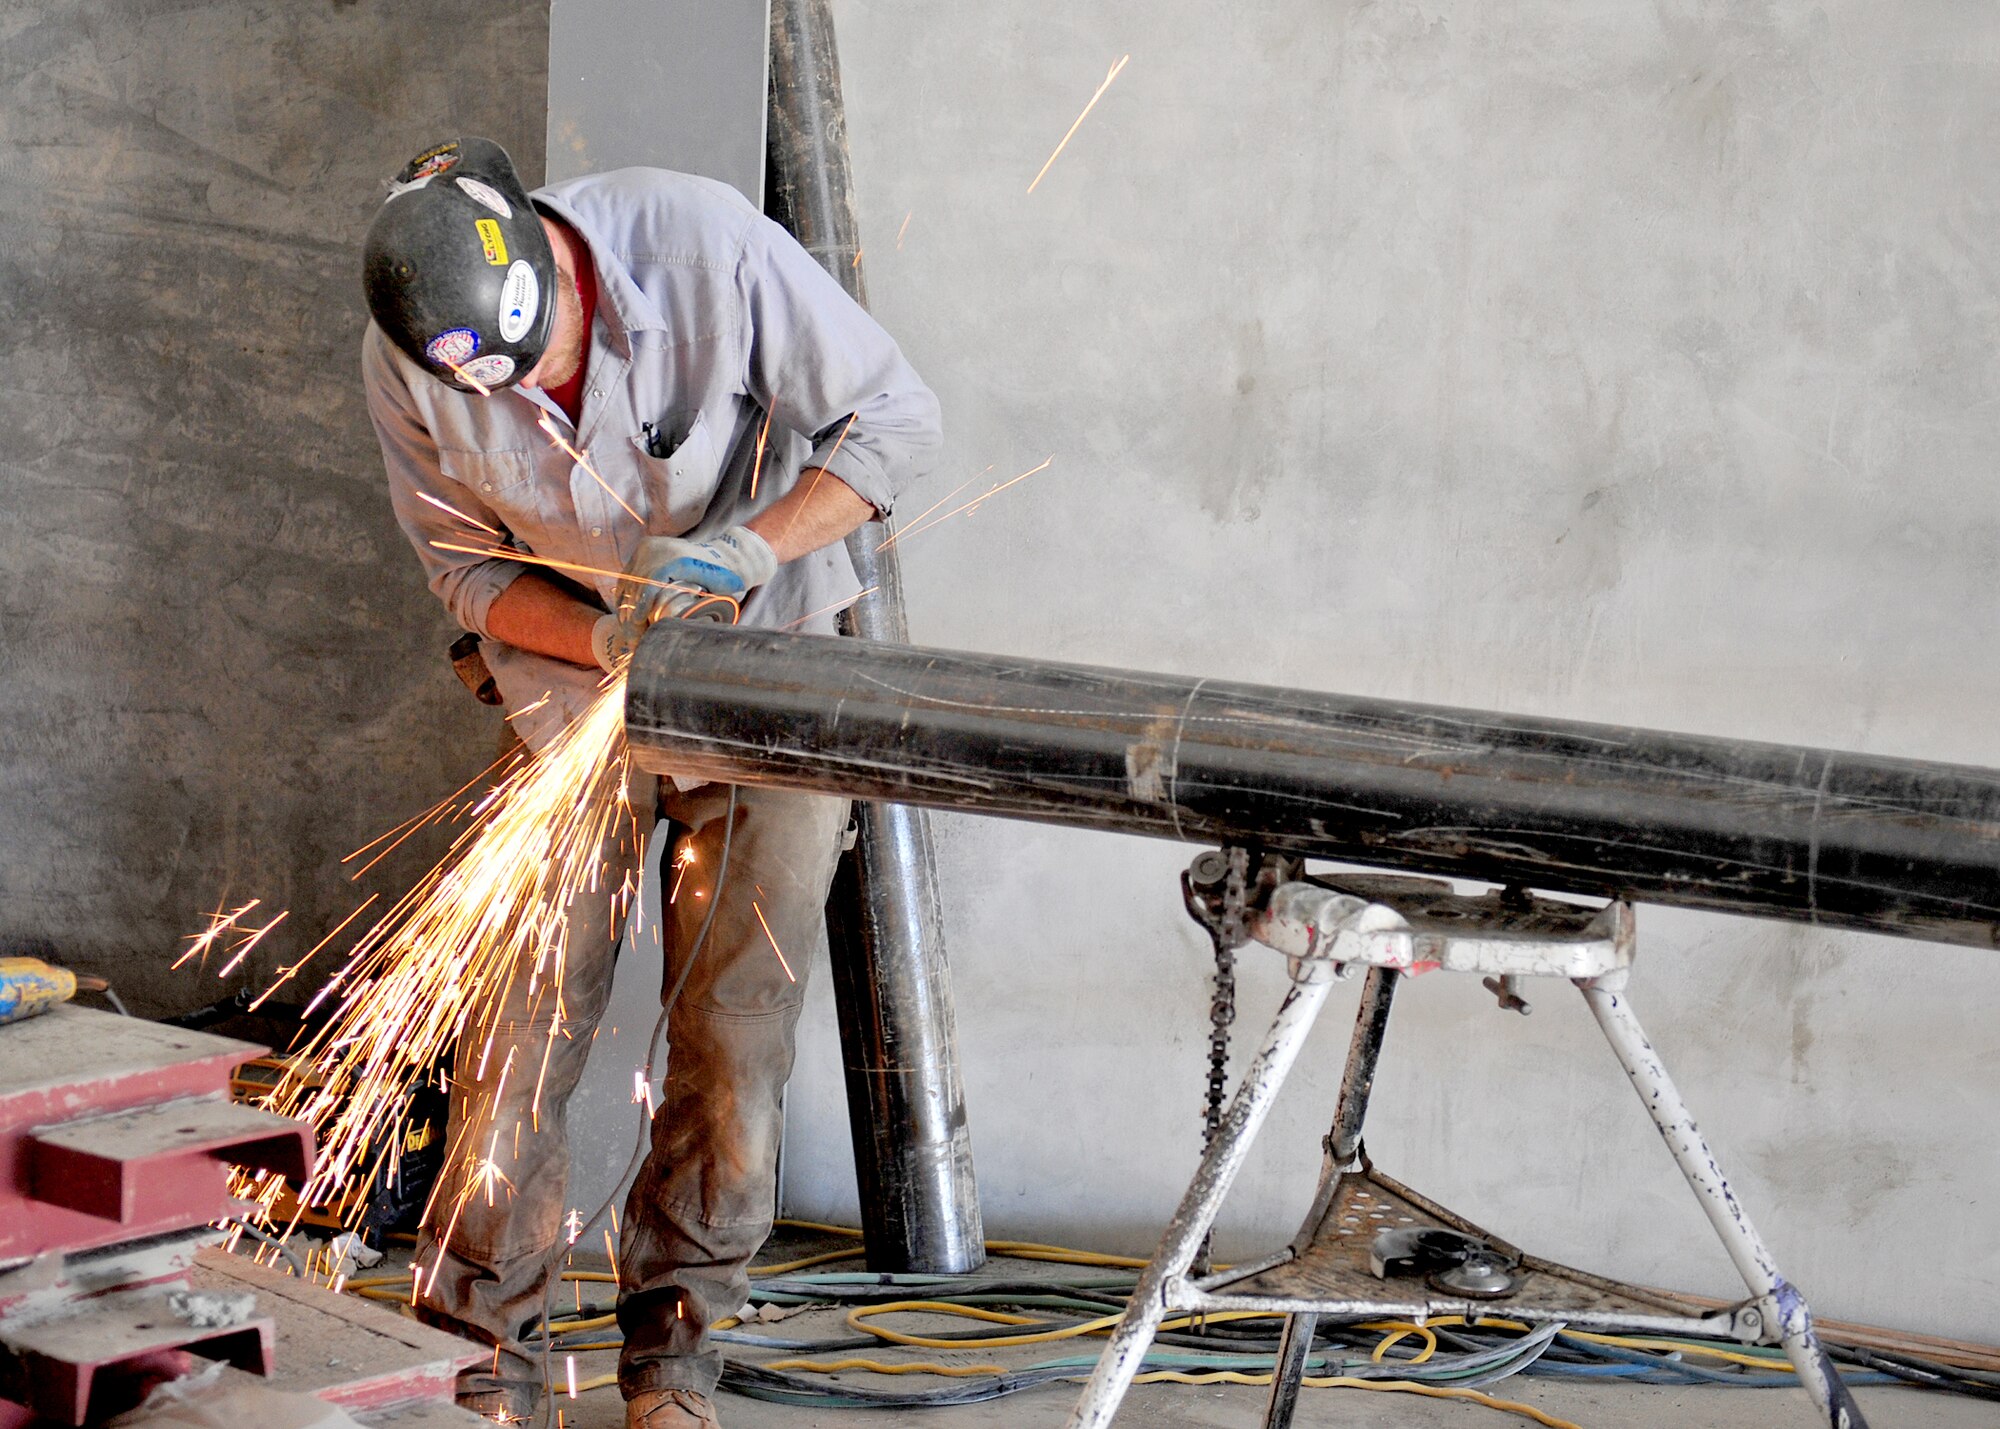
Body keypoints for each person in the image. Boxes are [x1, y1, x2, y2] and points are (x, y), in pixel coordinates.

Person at [359, 137, 940, 1429]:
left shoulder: (704, 245)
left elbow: (900, 422)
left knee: (731, 1046)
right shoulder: (413, 358)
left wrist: (749, 545)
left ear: (542, 243)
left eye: (552, 350)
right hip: (570, 693)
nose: (541, 389)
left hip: (763, 684)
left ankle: (674, 1365)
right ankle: (479, 1357)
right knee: (511, 1033)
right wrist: (606, 637)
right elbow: (465, 573)